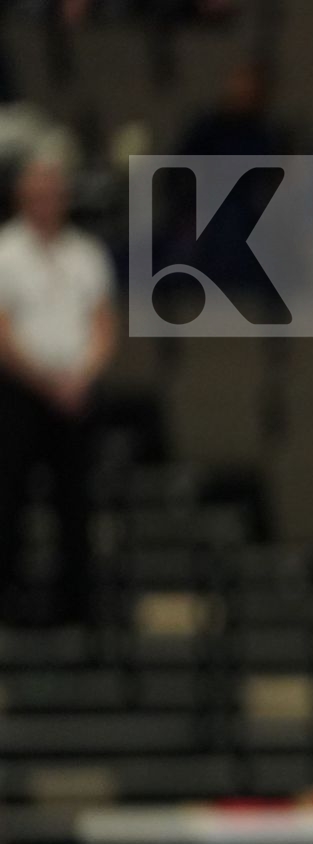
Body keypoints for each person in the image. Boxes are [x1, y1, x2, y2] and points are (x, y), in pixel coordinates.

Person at [0, 155, 116, 626]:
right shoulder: (5, 252)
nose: (46, 200)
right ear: (22, 197)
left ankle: (76, 609)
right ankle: (9, 603)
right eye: (37, 192)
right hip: (19, 391)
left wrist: (80, 378)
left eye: (54, 192)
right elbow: (2, 330)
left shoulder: (86, 254)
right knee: (10, 499)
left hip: (76, 393)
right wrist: (46, 382)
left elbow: (105, 325)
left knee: (76, 504)